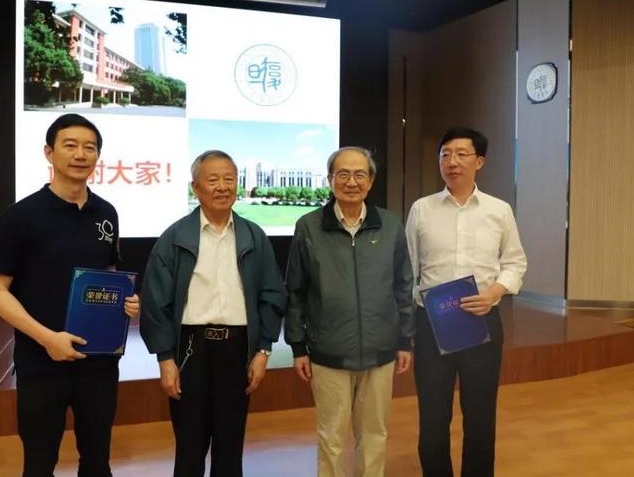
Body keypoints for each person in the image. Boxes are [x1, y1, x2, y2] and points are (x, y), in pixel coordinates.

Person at [0, 113, 140, 477]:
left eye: (90, 147)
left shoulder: (106, 213)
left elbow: (108, 275)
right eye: (70, 145)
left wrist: (125, 301)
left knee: (97, 462)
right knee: (39, 464)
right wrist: (47, 338)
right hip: (41, 362)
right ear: (49, 153)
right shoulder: (20, 216)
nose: (81, 154)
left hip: (98, 363)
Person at [139, 150, 286, 477]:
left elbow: (273, 295)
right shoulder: (175, 237)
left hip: (238, 349)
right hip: (191, 349)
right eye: (213, 180)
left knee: (230, 447)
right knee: (189, 448)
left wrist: (263, 350)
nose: (222, 187)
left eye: (229, 179)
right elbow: (155, 302)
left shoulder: (253, 236)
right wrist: (165, 358)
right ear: (196, 187)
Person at [285, 146, 414, 477]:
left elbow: (403, 286)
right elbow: (296, 290)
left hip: (380, 351)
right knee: (332, 438)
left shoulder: (390, 225)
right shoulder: (309, 227)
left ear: (371, 181)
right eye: (343, 174)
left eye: (359, 174)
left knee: (374, 435)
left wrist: (404, 340)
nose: (351, 182)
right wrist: (298, 346)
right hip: (329, 352)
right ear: (330, 180)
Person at [405, 127, 527, 477]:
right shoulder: (422, 209)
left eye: (461, 154)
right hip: (432, 325)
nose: (452, 162)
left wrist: (494, 293)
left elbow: (515, 262)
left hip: (481, 322)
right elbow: (408, 270)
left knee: (480, 415)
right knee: (432, 416)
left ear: (479, 162)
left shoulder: (499, 210)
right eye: (445, 155)